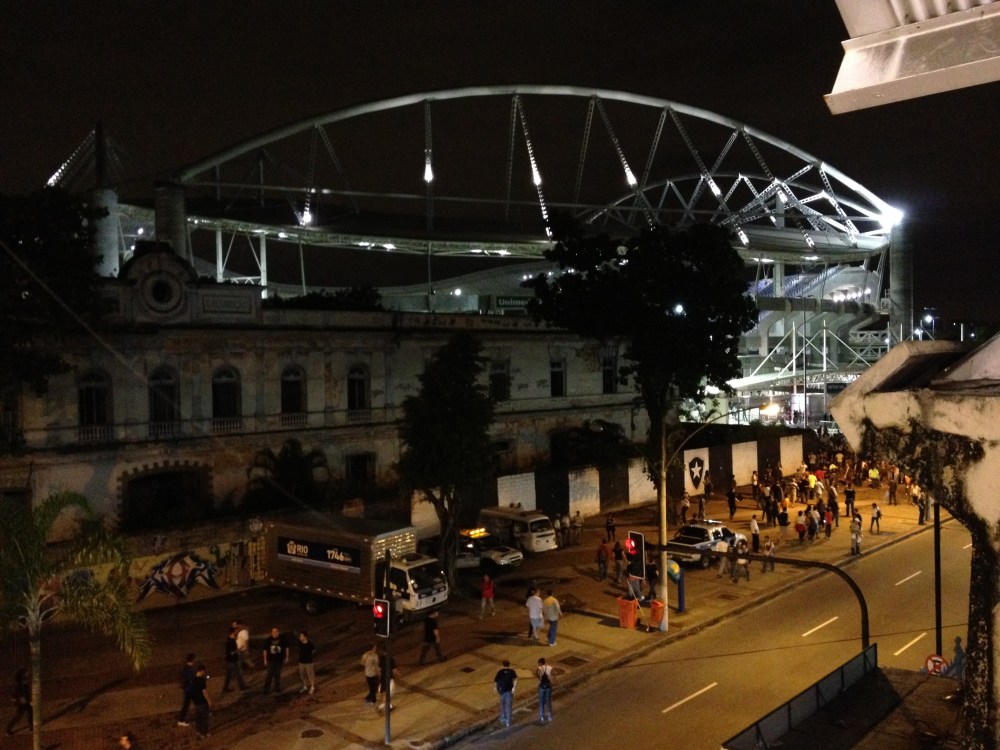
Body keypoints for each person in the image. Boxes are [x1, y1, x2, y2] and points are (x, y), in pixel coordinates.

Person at [262, 627, 288, 694]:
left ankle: (277, 688)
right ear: (271, 632)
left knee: (277, 675)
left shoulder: (282, 639)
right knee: (269, 675)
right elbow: (265, 650)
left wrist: (287, 657)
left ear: (278, 632)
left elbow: (286, 648)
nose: (274, 633)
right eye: (273, 631)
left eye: (276, 631)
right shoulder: (268, 640)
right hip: (271, 661)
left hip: (279, 661)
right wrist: (265, 659)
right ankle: (266, 690)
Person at [6, 668, 31, 736]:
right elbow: (18, 694)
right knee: (18, 716)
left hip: (24, 701)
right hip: (21, 703)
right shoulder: (19, 684)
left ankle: (31, 726)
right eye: (26, 673)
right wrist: (23, 700)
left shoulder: (23, 682)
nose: (27, 674)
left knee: (30, 712)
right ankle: (8, 729)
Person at [223, 627, 248, 692]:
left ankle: (225, 688)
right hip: (233, 661)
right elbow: (232, 652)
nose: (237, 632)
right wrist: (239, 649)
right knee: (238, 674)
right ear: (233, 632)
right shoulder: (231, 641)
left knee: (229, 675)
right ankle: (242, 687)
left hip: (229, 661)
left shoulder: (230, 640)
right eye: (236, 631)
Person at [494, 659, 517, 727]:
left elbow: (496, 680)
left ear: (503, 664)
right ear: (509, 664)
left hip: (502, 691)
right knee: (509, 706)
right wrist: (514, 687)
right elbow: (516, 679)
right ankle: (508, 721)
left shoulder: (500, 672)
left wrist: (495, 687)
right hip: (509, 691)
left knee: (502, 705)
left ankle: (503, 717)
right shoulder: (512, 671)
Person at [191, 663, 212, 739]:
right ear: (202, 671)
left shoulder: (193, 679)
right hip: (202, 702)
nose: (204, 673)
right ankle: (204, 733)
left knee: (198, 717)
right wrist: (209, 700)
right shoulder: (202, 680)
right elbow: (204, 691)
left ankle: (198, 730)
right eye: (204, 671)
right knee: (204, 718)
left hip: (196, 702)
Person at [176, 653, 197, 727]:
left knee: (193, 702)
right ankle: (181, 720)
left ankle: (202, 712)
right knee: (186, 705)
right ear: (192, 660)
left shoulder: (185, 667)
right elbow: (191, 680)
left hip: (188, 689)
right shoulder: (189, 669)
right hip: (189, 690)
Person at [536, 657, 553, 723]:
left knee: (541, 702)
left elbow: (537, 674)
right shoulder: (549, 667)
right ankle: (549, 715)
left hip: (542, 687)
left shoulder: (539, 668)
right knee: (548, 701)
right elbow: (553, 674)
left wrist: (539, 678)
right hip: (548, 686)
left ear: (540, 663)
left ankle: (542, 716)